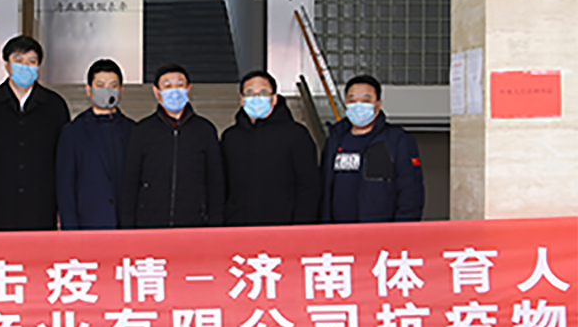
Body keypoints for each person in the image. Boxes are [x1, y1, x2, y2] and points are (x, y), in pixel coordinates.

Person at [0, 35, 70, 231]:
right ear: (7, 65)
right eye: (19, 61)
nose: (25, 67)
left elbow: (63, 161)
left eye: (31, 62)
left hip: (42, 205)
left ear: (38, 67)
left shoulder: (54, 106)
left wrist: (62, 206)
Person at [121, 63, 224, 229]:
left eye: (180, 85)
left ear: (188, 89)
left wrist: (215, 225)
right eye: (167, 86)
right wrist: (128, 228)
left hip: (194, 225)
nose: (174, 91)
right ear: (157, 92)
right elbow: (130, 184)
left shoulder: (205, 130)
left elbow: (215, 183)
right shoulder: (142, 131)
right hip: (150, 225)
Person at [320, 74, 424, 223]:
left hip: (379, 232)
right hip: (337, 231)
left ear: (378, 104)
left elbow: (411, 194)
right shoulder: (335, 139)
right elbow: (324, 190)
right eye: (352, 100)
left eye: (366, 100)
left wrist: (401, 231)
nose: (358, 105)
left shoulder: (397, 140)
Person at [221, 70, 320, 226]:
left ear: (274, 99)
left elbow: (308, 186)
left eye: (263, 93)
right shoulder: (230, 137)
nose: (256, 98)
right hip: (238, 227)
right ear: (242, 100)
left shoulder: (296, 135)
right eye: (249, 93)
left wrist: (301, 227)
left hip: (283, 228)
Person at [56, 59, 134, 229]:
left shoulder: (133, 130)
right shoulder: (73, 131)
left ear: (121, 90)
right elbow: (65, 188)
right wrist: (71, 231)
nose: (107, 90)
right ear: (89, 90)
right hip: (88, 226)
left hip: (126, 227)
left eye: (113, 85)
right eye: (100, 85)